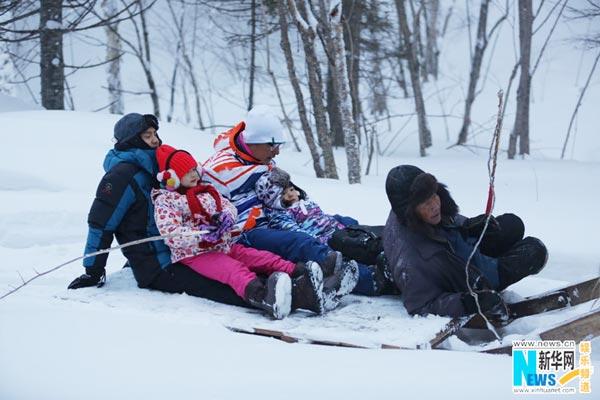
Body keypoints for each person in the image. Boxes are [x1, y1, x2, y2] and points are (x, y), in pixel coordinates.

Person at [67, 113, 248, 308]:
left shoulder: (160, 166)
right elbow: (101, 224)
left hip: (188, 250)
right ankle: (271, 298)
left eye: (154, 134)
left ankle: (278, 283)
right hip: (159, 266)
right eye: (147, 135)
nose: (154, 140)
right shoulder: (121, 176)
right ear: (132, 140)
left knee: (244, 266)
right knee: (226, 286)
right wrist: (93, 271)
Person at [202, 105, 380, 303]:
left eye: (279, 144)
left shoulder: (259, 159)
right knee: (300, 242)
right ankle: (371, 279)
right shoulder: (218, 171)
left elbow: (276, 193)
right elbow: (203, 207)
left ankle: (377, 250)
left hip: (276, 218)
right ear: (253, 142)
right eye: (272, 145)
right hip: (248, 233)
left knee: (336, 222)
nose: (277, 152)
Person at [151, 144, 328, 318]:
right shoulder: (167, 201)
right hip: (195, 253)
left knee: (262, 258)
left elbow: (228, 205)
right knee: (235, 270)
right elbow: (170, 234)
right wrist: (200, 232)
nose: (194, 174)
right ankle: (264, 297)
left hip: (222, 244)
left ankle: (302, 275)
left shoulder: (205, 190)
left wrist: (226, 216)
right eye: (186, 172)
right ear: (172, 178)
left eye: (194, 169)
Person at [382, 165, 548, 319]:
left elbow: (444, 221)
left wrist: (468, 226)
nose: (435, 205)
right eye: (426, 202)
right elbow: (421, 305)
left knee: (512, 224)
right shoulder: (412, 261)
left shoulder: (405, 210)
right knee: (535, 251)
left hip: (459, 251)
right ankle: (498, 269)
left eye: (434, 195)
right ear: (410, 211)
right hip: (470, 278)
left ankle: (494, 255)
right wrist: (468, 302)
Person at [255, 167, 355, 244]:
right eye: (283, 194)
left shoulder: (307, 203)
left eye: (291, 189)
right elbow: (300, 235)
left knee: (352, 223)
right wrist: (327, 240)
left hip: (337, 231)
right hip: (326, 241)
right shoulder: (281, 216)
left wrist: (341, 227)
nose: (290, 194)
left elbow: (322, 218)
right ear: (273, 200)